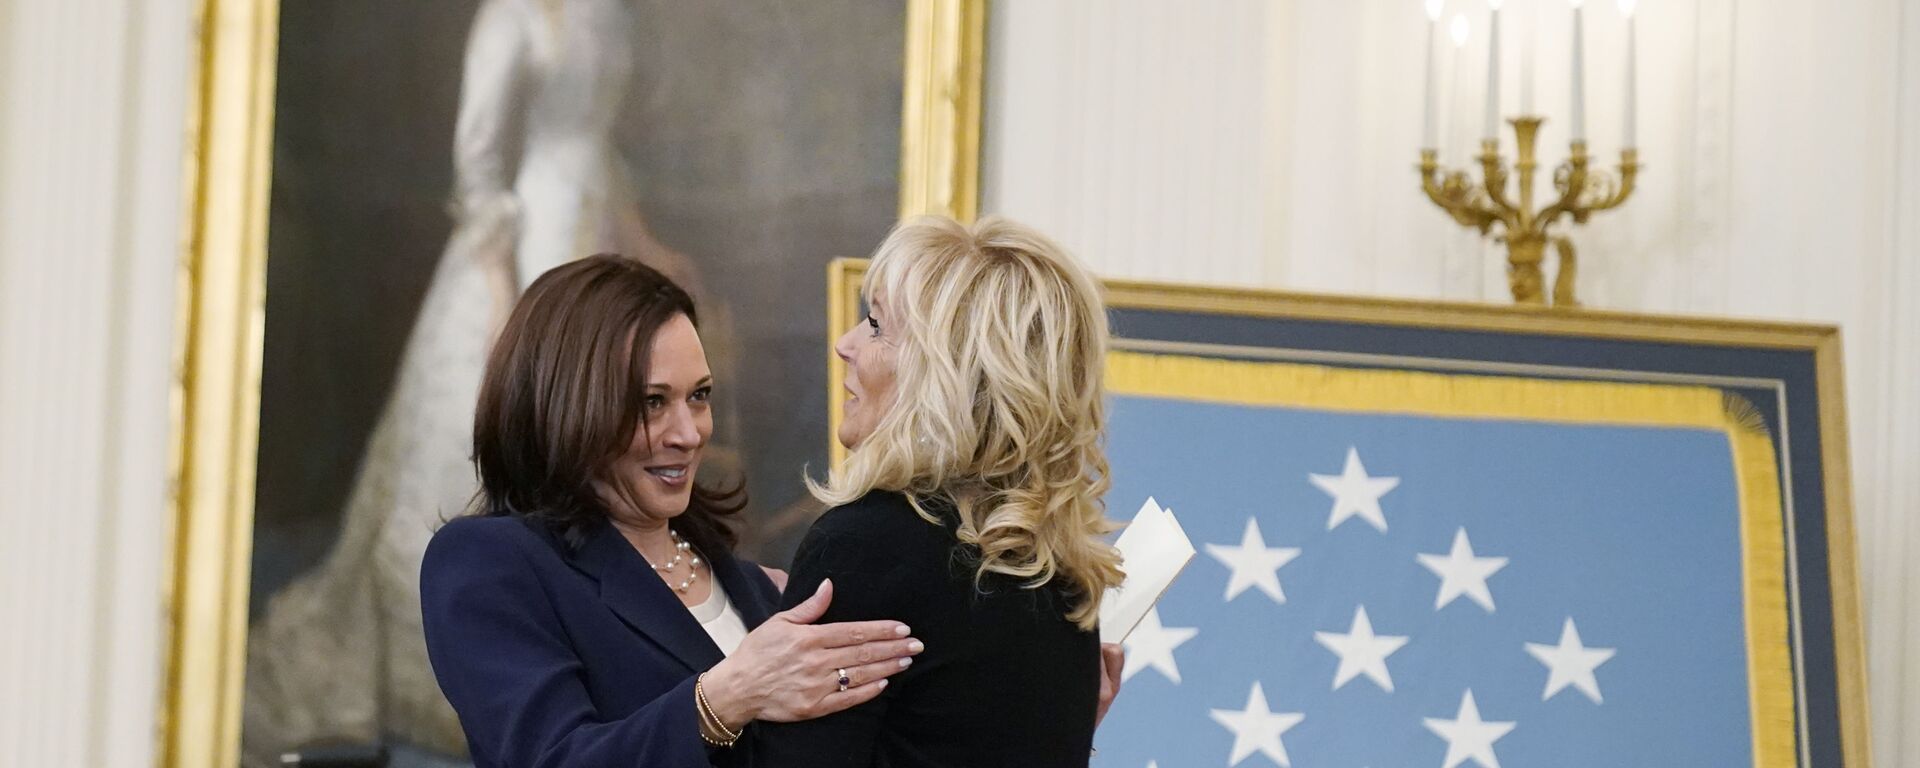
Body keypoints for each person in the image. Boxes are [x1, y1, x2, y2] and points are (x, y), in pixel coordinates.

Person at [240, 1, 729, 762]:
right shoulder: (512, 17)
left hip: (592, 226)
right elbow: (480, 157)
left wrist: (640, 243)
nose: (690, 427)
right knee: (491, 457)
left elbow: (596, 146)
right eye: (670, 403)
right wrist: (505, 289)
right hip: (523, 242)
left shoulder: (605, 16)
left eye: (698, 400)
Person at [419, 255, 921, 767]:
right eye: (652, 402)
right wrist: (726, 697)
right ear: (567, 407)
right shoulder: (486, 562)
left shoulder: (754, 586)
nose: (689, 433)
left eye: (698, 396)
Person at [750, 216, 1128, 766]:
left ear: (946, 373)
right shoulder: (1059, 564)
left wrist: (716, 704)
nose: (845, 343)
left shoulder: (866, 545)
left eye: (876, 325)